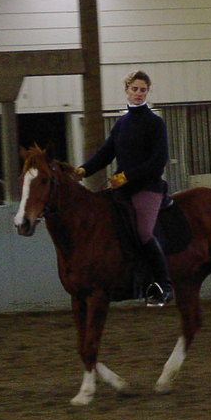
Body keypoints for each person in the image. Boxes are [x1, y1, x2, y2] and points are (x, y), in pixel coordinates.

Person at [75, 70, 173, 306]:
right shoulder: (121, 124)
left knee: (144, 233)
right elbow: (105, 154)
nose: (139, 93)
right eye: (135, 89)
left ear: (148, 92)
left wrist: (127, 176)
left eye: (143, 90)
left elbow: (158, 160)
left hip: (148, 188)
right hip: (123, 189)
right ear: (127, 90)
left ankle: (164, 286)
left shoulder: (155, 123)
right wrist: (82, 170)